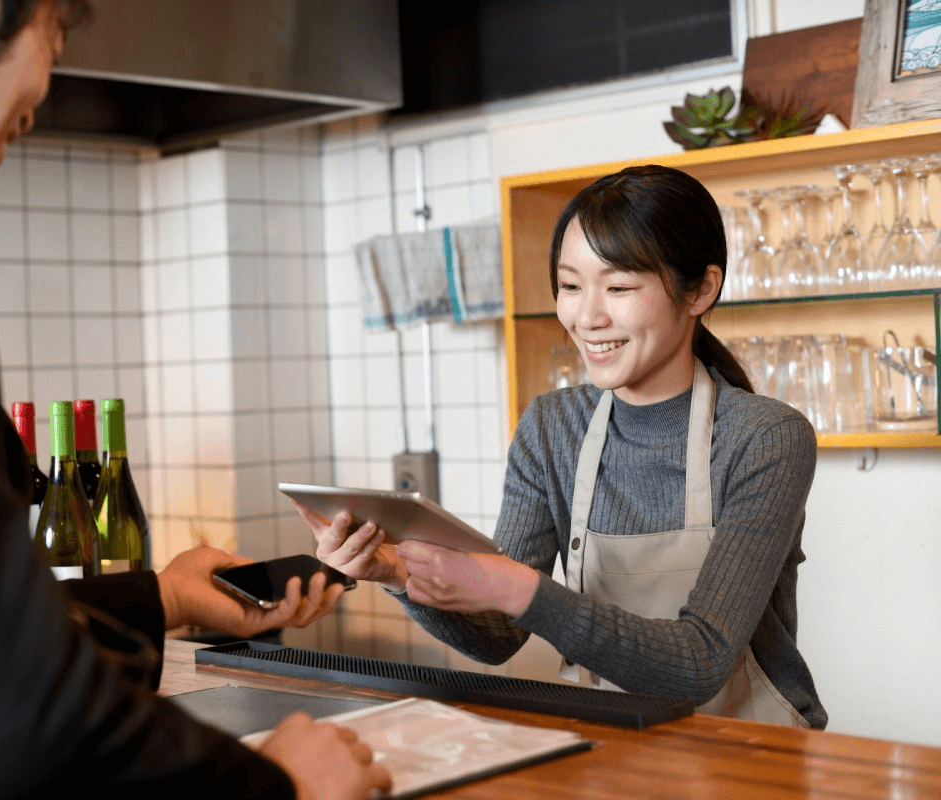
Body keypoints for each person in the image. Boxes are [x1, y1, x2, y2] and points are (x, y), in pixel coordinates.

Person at [0, 1, 391, 798]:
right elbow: (4, 707)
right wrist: (276, 784)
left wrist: (163, 595)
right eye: (56, 34)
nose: (44, 89)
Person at [299, 164, 828, 729]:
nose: (586, 317)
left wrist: (515, 585)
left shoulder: (766, 437)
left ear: (700, 289)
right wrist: (400, 576)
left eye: (619, 287)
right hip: (615, 742)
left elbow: (698, 666)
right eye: (571, 286)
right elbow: (499, 637)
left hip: (751, 752)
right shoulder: (553, 426)